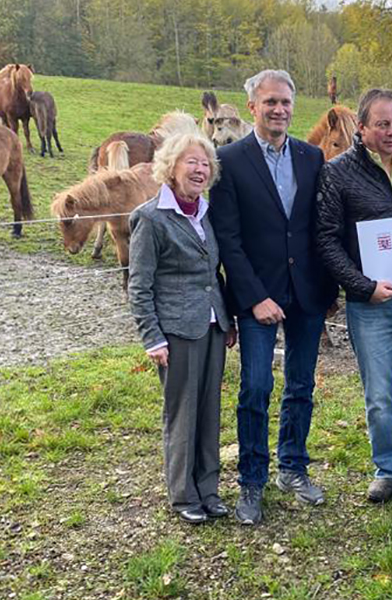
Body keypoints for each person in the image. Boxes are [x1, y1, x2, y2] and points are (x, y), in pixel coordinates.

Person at [209, 70, 338, 525]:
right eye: (270, 102)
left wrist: (330, 288)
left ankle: (293, 467)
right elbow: (228, 238)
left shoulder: (311, 157)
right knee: (257, 387)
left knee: (301, 384)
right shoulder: (230, 160)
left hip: (307, 292)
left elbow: (319, 227)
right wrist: (254, 297)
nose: (279, 109)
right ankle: (251, 481)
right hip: (257, 293)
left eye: (285, 102)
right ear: (252, 108)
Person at [317, 88, 392, 507]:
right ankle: (388, 468)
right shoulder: (338, 174)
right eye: (382, 124)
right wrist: (363, 286)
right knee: (380, 395)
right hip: (370, 305)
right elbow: (327, 241)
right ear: (363, 128)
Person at [128, 131, 235, 524]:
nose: (200, 169)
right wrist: (151, 336)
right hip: (175, 332)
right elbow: (139, 286)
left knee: (209, 410)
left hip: (212, 327)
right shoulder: (150, 218)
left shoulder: (206, 213)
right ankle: (182, 495)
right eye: (191, 161)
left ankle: (209, 489)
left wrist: (229, 320)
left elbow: (214, 274)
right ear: (170, 167)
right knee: (182, 412)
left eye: (205, 163)